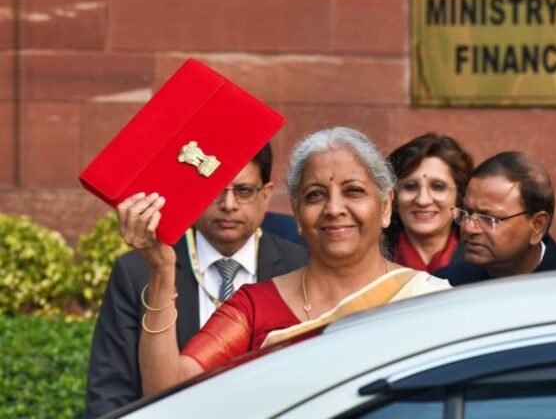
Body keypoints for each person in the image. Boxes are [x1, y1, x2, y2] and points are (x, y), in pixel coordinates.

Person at [116, 127, 451, 397]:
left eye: (353, 191)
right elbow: (168, 391)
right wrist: (161, 272)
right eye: (315, 195)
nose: (334, 208)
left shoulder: (429, 300)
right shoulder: (254, 307)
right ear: (297, 214)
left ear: (386, 205)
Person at [85, 143, 309, 417]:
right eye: (215, 189)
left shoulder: (300, 266)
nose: (228, 205)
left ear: (266, 195)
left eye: (243, 191)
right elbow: (109, 393)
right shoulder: (139, 271)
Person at [435, 151, 556, 286]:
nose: (469, 228)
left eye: (489, 218)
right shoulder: (445, 286)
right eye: (467, 213)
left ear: (537, 226)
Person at [385, 133, 474, 273]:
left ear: (459, 198)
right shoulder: (372, 257)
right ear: (393, 197)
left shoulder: (480, 259)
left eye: (438, 186)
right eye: (410, 186)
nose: (422, 200)